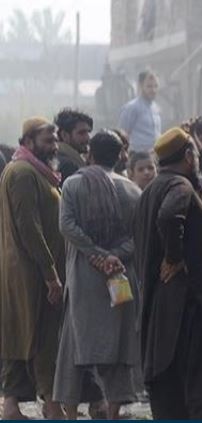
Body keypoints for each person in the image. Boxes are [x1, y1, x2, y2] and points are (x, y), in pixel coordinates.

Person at [133, 127, 202, 419]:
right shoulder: (179, 185)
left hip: (165, 309)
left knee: (173, 395)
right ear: (189, 157)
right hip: (188, 308)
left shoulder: (150, 191)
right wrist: (175, 257)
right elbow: (169, 217)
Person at [53, 130, 142, 420]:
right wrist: (113, 256)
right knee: (117, 348)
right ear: (119, 156)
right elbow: (139, 237)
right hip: (120, 277)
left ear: (89, 154)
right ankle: (113, 414)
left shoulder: (73, 184)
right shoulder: (133, 190)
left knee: (73, 348)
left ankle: (70, 415)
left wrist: (97, 255)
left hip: (84, 276)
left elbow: (67, 226)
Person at [0, 118, 65, 419]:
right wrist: (50, 273)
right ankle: (52, 405)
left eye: (55, 140)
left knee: (20, 334)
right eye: (47, 140)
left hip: (29, 270)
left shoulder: (32, 171)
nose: (54, 146)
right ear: (28, 142)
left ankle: (12, 405)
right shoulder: (24, 173)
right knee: (43, 336)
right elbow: (29, 227)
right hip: (32, 273)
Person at [119, 70, 162, 152]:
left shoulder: (156, 108)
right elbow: (123, 133)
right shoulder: (131, 107)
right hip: (137, 155)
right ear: (141, 86)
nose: (153, 90)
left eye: (156, 86)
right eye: (149, 86)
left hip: (155, 154)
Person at [55, 108, 93, 185]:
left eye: (88, 132)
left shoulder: (69, 159)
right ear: (64, 135)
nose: (87, 138)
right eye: (81, 133)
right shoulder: (67, 165)